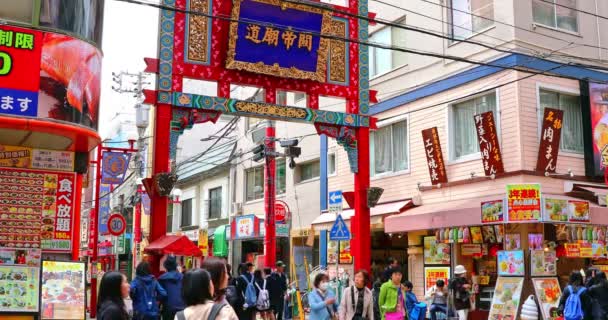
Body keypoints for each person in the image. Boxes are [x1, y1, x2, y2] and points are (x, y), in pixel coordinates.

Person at [158, 256, 185, 320]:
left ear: (166, 267)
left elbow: (161, 295)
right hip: (182, 308)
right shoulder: (183, 277)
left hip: (168, 309)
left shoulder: (162, 278)